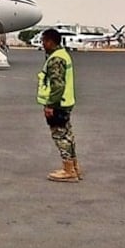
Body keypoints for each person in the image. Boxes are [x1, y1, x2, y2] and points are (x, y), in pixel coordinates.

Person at [37, 28, 82, 182]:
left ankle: (68, 171)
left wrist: (50, 105)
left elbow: (57, 85)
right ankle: (74, 167)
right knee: (68, 135)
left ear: (51, 41)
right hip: (65, 102)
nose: (42, 44)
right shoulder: (63, 55)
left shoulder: (56, 59)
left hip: (58, 103)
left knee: (60, 136)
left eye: (44, 41)